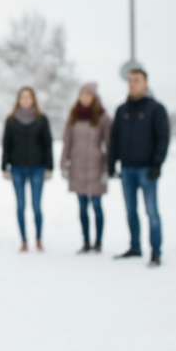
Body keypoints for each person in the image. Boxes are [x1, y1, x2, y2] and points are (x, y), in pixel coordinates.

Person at [109, 68, 170, 267]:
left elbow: (163, 138)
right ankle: (135, 247)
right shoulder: (122, 110)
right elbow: (115, 138)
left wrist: (157, 163)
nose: (132, 84)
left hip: (147, 170)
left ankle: (156, 252)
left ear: (146, 83)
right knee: (130, 211)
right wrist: (111, 162)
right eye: (130, 80)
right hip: (127, 170)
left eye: (136, 80)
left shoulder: (156, 109)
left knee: (151, 211)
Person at [61, 82, 112, 254]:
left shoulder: (103, 117)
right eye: (82, 95)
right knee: (82, 207)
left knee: (96, 206)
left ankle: (98, 242)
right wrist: (64, 163)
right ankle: (86, 242)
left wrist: (107, 168)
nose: (84, 98)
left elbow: (109, 145)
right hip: (77, 167)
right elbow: (67, 141)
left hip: (96, 168)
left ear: (94, 97)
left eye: (87, 95)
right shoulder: (73, 116)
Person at [1, 87, 54, 252]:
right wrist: (4, 166)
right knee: (20, 206)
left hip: (37, 167)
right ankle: (23, 241)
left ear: (33, 100)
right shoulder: (11, 120)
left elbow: (48, 144)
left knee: (36, 206)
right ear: (18, 100)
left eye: (28, 97)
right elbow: (6, 144)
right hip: (17, 168)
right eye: (22, 97)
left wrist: (49, 167)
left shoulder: (41, 119)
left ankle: (38, 239)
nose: (25, 100)